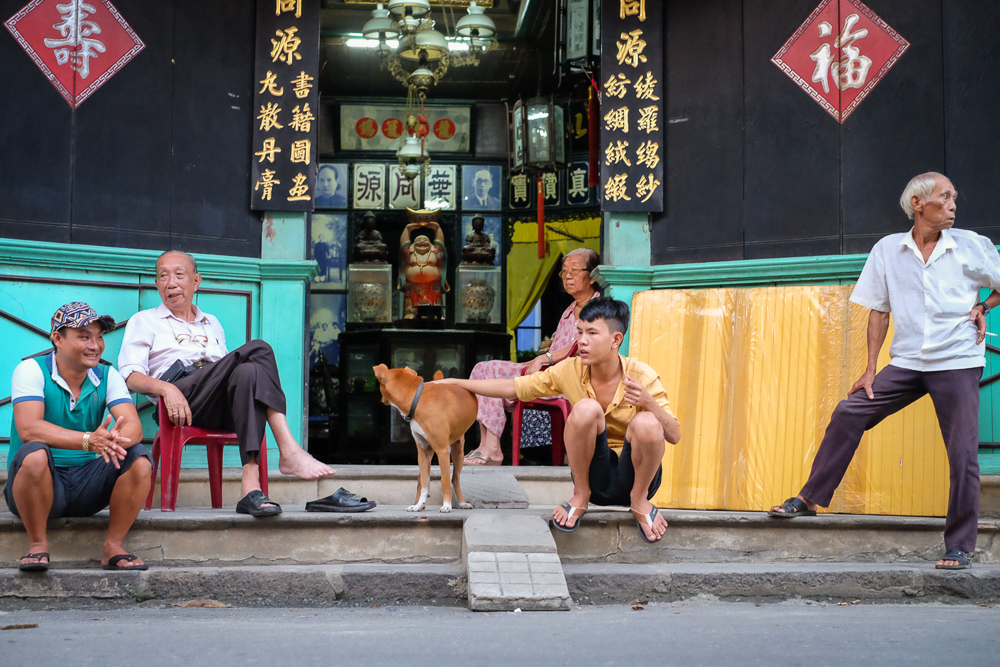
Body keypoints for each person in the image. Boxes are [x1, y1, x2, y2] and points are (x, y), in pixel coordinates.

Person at [768, 173, 1000, 571]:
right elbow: (879, 309)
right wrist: (871, 369)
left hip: (956, 360)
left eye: (954, 198)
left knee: (963, 454)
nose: (953, 205)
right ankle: (809, 499)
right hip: (908, 361)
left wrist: (985, 306)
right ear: (918, 203)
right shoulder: (888, 250)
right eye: (945, 197)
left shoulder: (970, 245)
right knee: (849, 411)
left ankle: (959, 546)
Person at [118, 251, 348, 518]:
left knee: (249, 372)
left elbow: (228, 374)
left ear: (196, 281)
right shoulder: (144, 320)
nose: (171, 283)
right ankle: (289, 450)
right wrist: (166, 389)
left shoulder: (211, 322)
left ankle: (250, 486)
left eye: (179, 275)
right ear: (156, 283)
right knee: (259, 349)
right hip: (180, 399)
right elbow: (130, 377)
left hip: (217, 399)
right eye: (163, 276)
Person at [439, 298, 681, 542]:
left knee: (648, 422)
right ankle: (580, 495)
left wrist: (649, 402)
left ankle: (640, 502)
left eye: (592, 333)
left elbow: (674, 435)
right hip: (594, 479)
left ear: (616, 340)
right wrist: (455, 383)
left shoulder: (641, 375)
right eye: (580, 332)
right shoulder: (569, 369)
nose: (582, 341)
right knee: (586, 409)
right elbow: (513, 386)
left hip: (638, 478)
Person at [5, 302, 151, 571]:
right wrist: (88, 440)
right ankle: (38, 545)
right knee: (36, 453)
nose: (95, 345)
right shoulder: (31, 370)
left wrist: (113, 440)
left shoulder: (108, 375)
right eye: (84, 336)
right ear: (57, 339)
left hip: (87, 485)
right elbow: (29, 429)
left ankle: (113, 547)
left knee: (139, 457)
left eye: (99, 337)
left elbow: (133, 427)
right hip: (36, 487)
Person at [464, 249, 601, 466]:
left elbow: (578, 348)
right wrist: (524, 365)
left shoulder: (597, 308)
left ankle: (492, 449)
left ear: (592, 276)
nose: (567, 276)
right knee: (483, 369)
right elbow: (555, 351)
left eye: (574, 271)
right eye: (564, 272)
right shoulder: (569, 310)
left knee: (488, 371)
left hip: (570, 379)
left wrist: (543, 359)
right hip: (548, 373)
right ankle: (487, 445)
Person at [399, 222, 447, 318]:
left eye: (425, 239)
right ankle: (410, 312)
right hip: (413, 285)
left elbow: (440, 243)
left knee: (436, 298)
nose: (421, 241)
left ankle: (437, 314)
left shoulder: (435, 251)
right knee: (410, 298)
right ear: (413, 244)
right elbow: (404, 245)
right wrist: (408, 228)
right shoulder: (410, 252)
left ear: (430, 244)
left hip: (432, 284)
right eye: (418, 239)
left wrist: (437, 228)